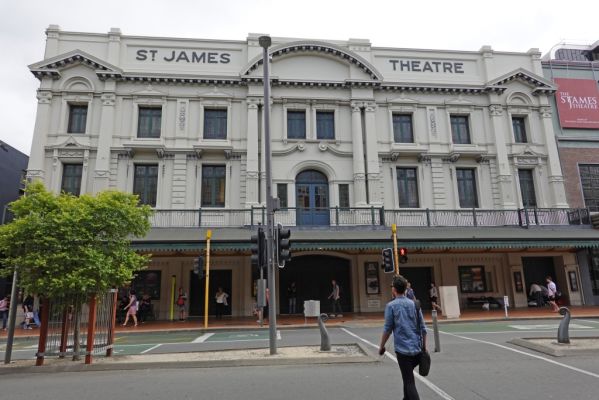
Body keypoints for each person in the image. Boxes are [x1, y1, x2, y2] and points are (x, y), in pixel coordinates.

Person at [379, 275, 427, 400]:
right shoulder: (415, 305)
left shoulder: (391, 306)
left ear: (394, 290)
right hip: (417, 349)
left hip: (403, 351)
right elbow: (423, 329)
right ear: (406, 289)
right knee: (407, 379)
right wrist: (424, 348)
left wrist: (381, 346)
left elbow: (387, 329)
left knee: (409, 381)